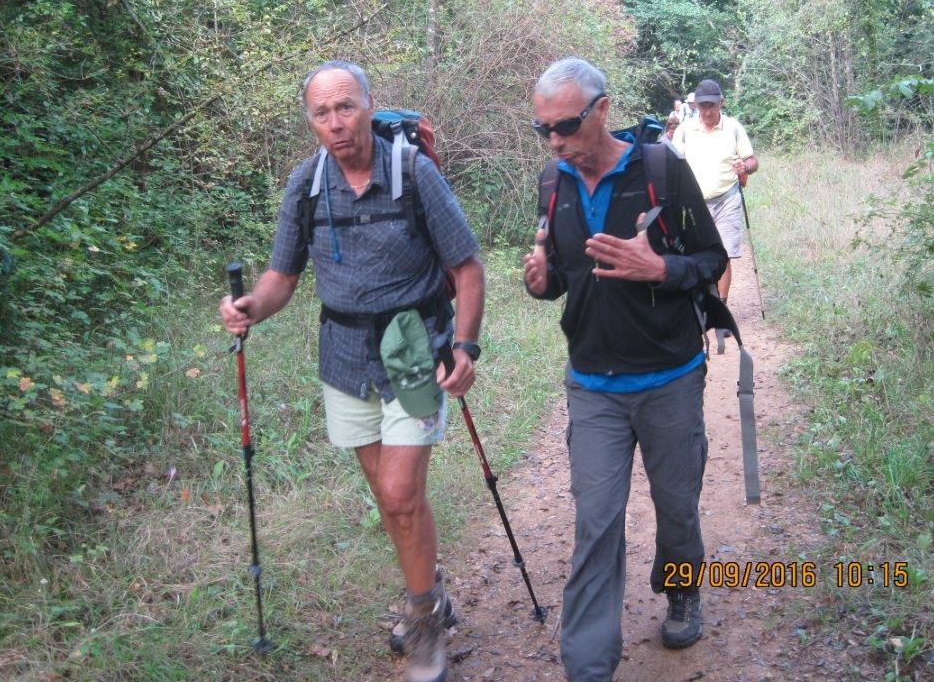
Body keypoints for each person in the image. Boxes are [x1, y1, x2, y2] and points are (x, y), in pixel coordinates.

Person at [219, 61, 485, 682]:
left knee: (398, 493)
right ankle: (433, 593)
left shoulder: (412, 173)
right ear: (310, 121)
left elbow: (467, 267)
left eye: (346, 107)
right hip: (342, 357)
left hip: (415, 349)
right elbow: (281, 277)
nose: (336, 123)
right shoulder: (306, 185)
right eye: (322, 113)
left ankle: (423, 618)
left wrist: (466, 345)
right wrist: (251, 307)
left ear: (369, 105)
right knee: (394, 500)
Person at [522, 58, 727, 681]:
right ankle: (588, 666)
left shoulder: (661, 169)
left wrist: (660, 269)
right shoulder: (551, 183)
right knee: (597, 520)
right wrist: (541, 282)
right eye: (544, 130)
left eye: (565, 125)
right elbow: (562, 278)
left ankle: (682, 586)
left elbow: (711, 257)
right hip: (591, 384)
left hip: (668, 374)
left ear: (602, 109)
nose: (555, 140)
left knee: (676, 502)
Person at [671, 78, 758, 309]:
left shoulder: (734, 128)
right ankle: (701, 304)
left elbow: (752, 160)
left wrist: (745, 167)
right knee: (697, 253)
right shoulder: (685, 130)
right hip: (694, 205)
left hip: (727, 198)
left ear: (721, 103)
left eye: (711, 105)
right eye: (703, 106)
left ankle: (721, 307)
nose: (707, 111)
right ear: (696, 106)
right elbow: (672, 162)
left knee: (724, 253)